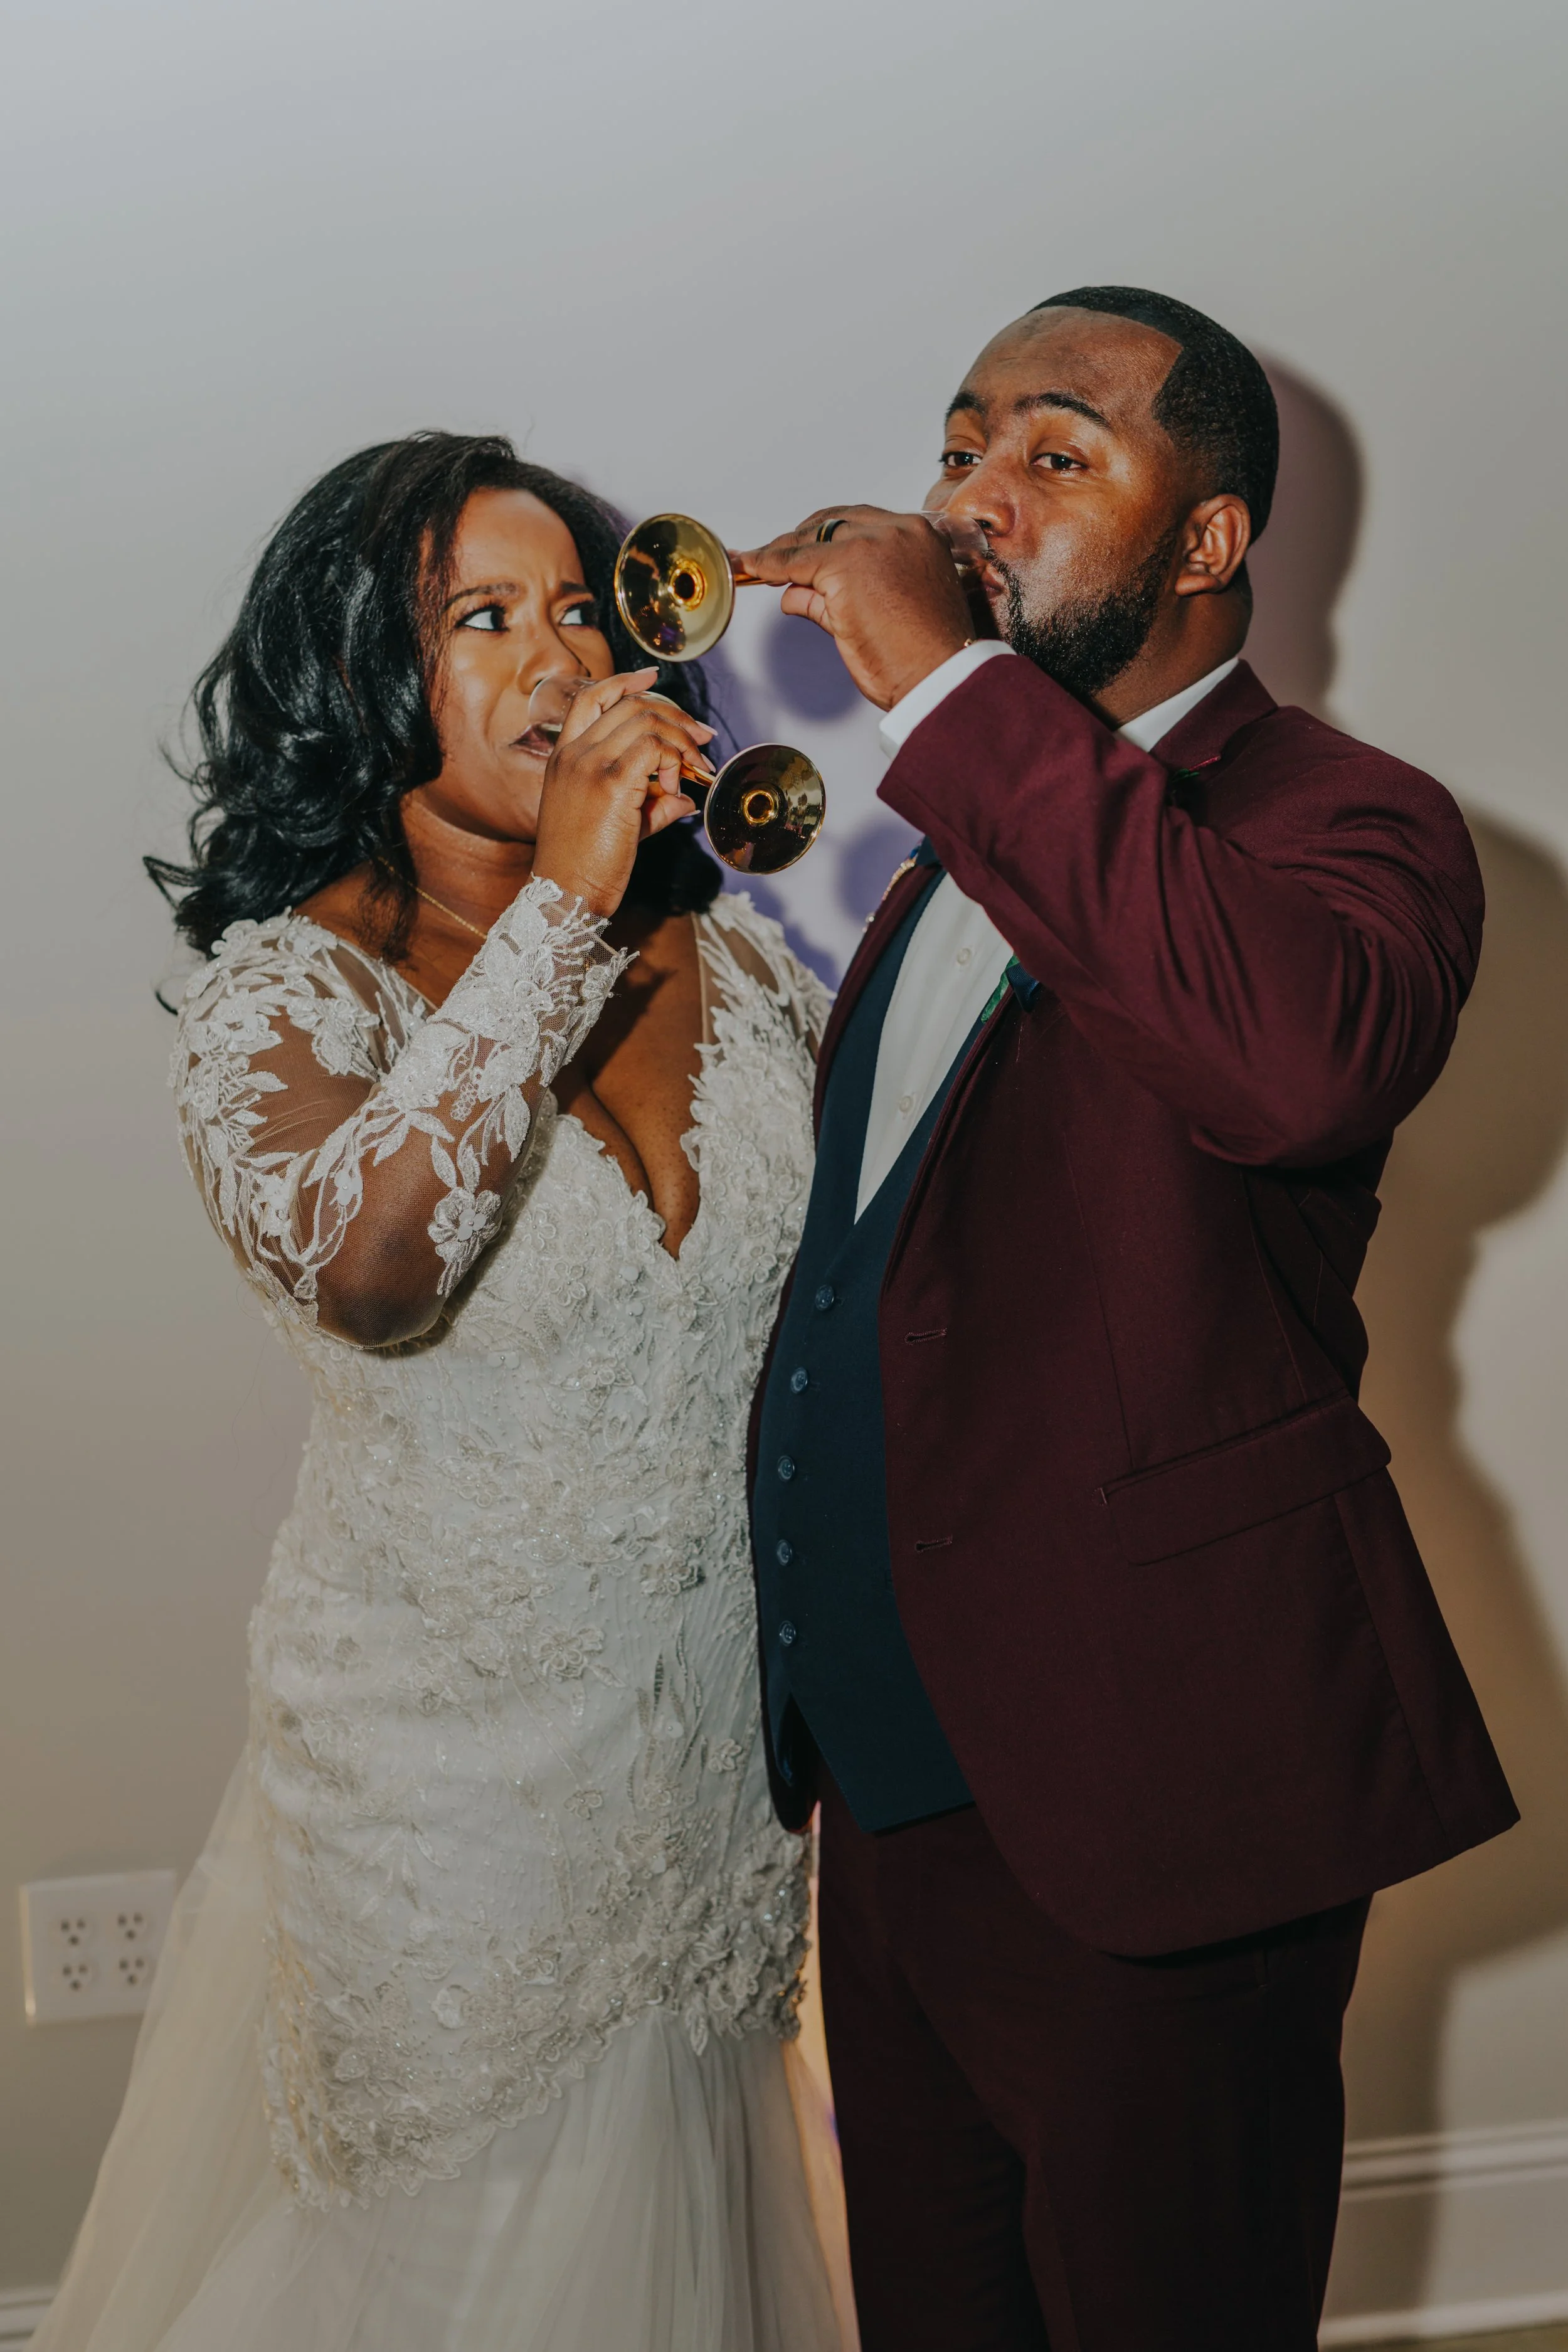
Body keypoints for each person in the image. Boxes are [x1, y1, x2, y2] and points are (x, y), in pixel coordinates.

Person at [736, 287, 1517, 2352]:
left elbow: (1281, 1071)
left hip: (1158, 1794)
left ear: (1207, 542)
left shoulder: (1351, 823)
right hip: (895, 1792)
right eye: (959, 442)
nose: (974, 497)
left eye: (1054, 455)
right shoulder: (930, 866)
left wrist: (937, 682)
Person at [37, 433, 852, 2352]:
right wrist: (565, 902)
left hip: (719, 1776)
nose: (553, 654)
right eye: (479, 617)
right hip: (447, 1805)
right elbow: (371, 1265)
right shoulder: (286, 996)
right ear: (357, 677)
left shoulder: (734, 960)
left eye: (579, 604)